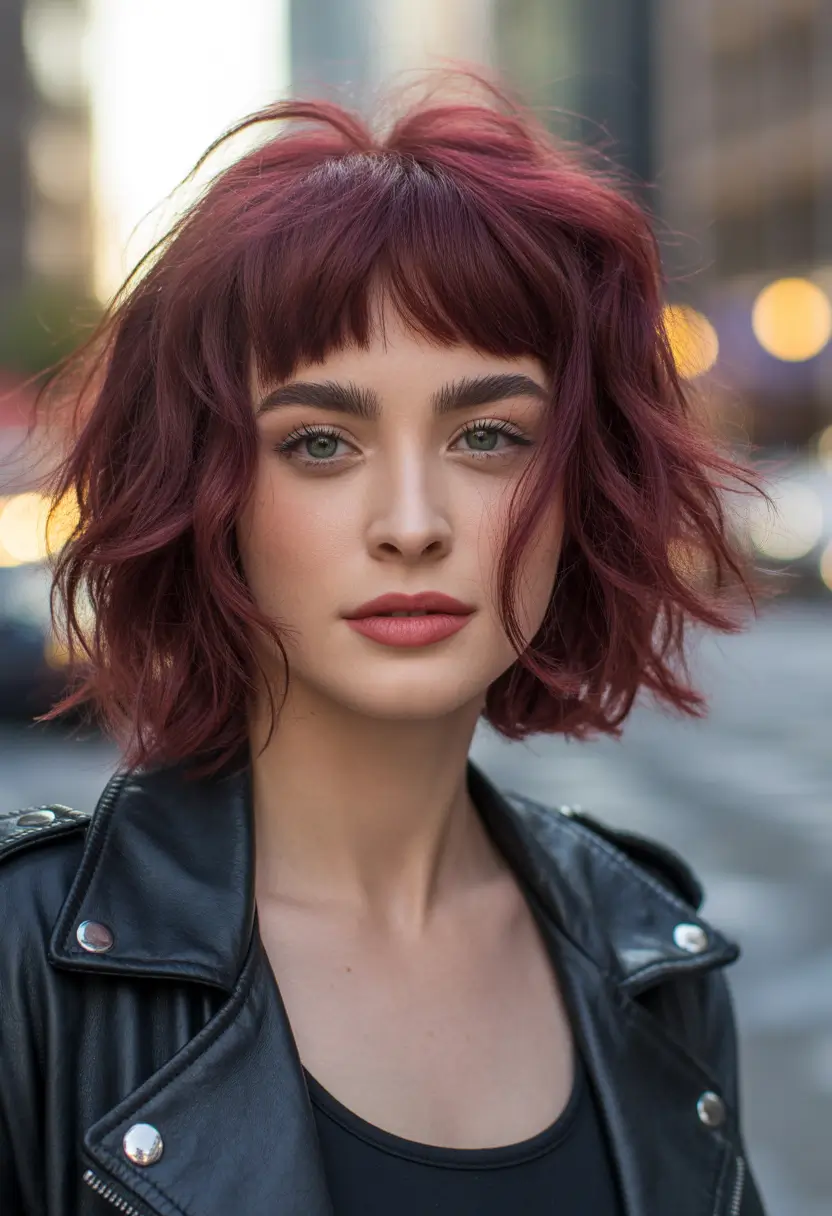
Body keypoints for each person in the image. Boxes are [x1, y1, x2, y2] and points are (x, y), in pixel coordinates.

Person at [0, 73, 768, 1215]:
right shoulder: (27, 957)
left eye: (489, 436)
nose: (412, 522)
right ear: (209, 490)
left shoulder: (649, 955)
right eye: (319, 441)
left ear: (577, 490)